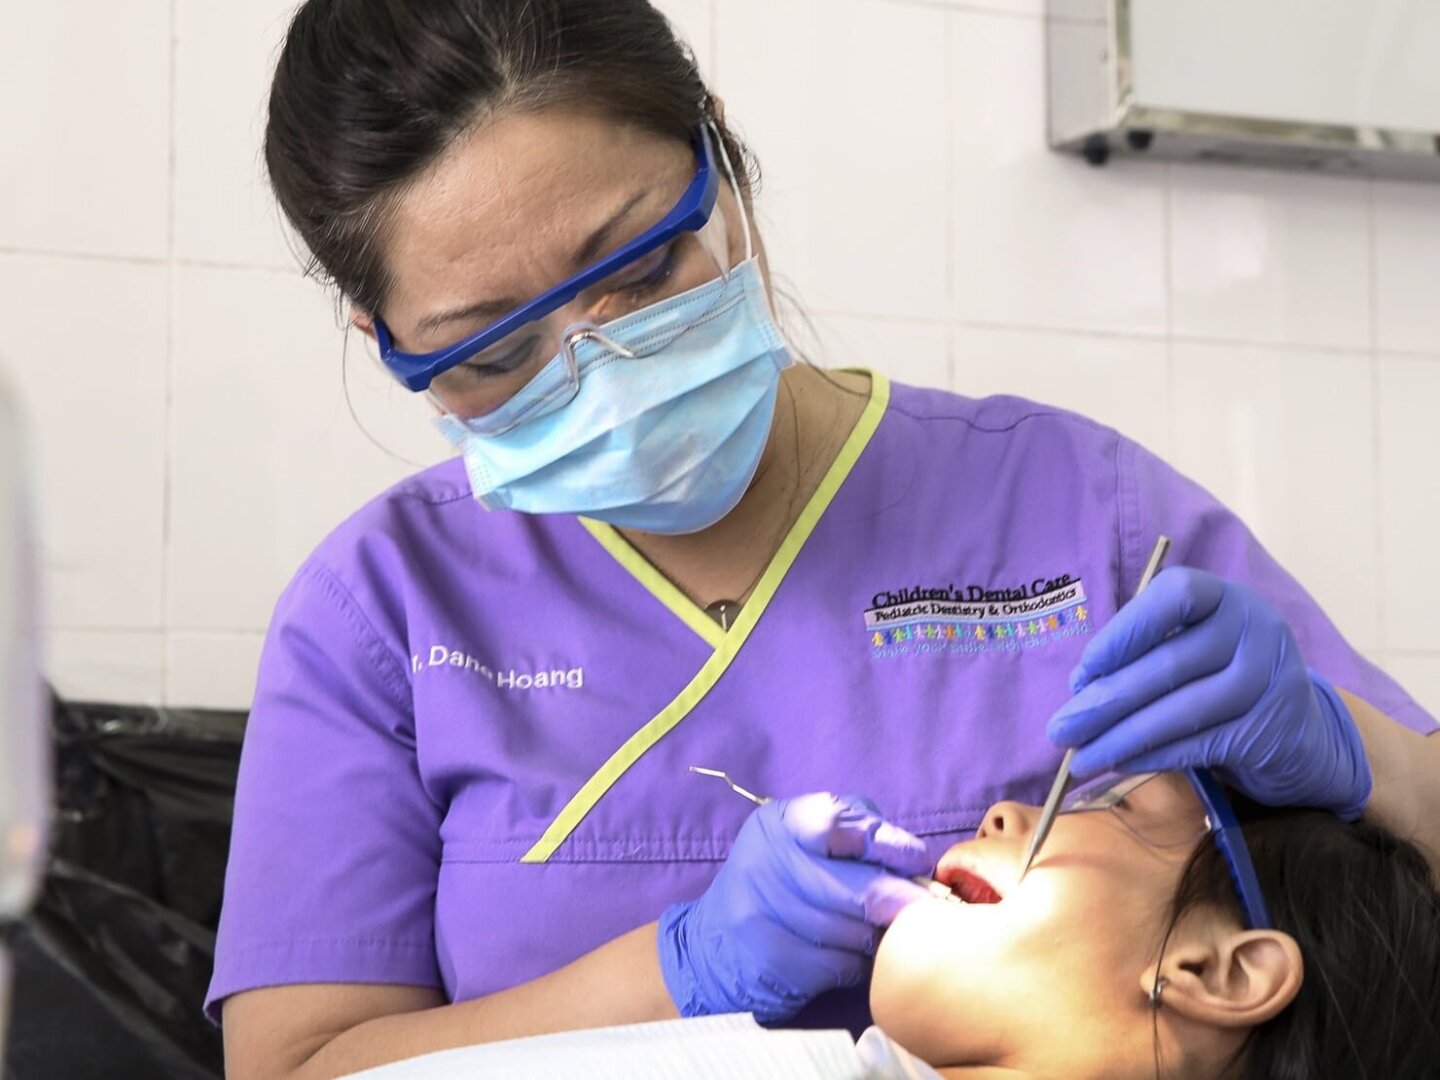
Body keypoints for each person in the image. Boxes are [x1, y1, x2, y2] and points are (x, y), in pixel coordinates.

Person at [206, 1, 1440, 1077]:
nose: (597, 370)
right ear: (386, 339)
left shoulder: (1077, 508)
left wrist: (1368, 758)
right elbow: (302, 1068)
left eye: (636, 269)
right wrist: (680, 973)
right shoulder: (384, 610)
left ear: (721, 163)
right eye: (491, 348)